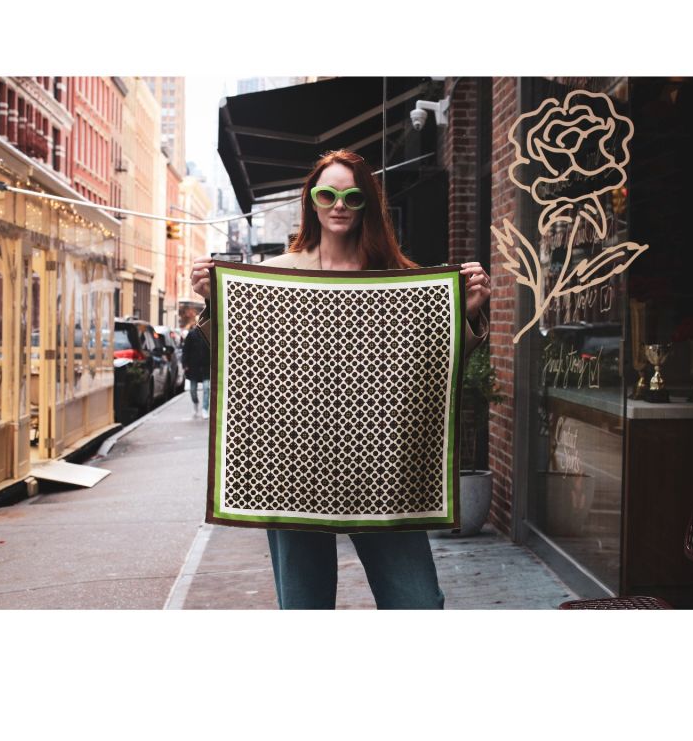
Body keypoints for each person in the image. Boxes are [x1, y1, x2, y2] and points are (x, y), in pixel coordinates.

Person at [190, 149, 491, 609]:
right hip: (292, 468)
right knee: (305, 608)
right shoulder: (274, 276)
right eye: (327, 194)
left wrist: (464, 315)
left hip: (385, 467)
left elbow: (433, 364)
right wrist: (217, 301)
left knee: (417, 603)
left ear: (367, 203)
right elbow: (242, 356)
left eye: (352, 197)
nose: (339, 205)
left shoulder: (401, 279)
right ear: (311, 200)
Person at [181, 325, 211, 419]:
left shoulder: (208, 334)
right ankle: (196, 403)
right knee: (193, 390)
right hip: (193, 367)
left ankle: (205, 409)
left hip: (205, 366)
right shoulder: (191, 334)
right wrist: (185, 364)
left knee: (206, 388)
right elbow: (185, 350)